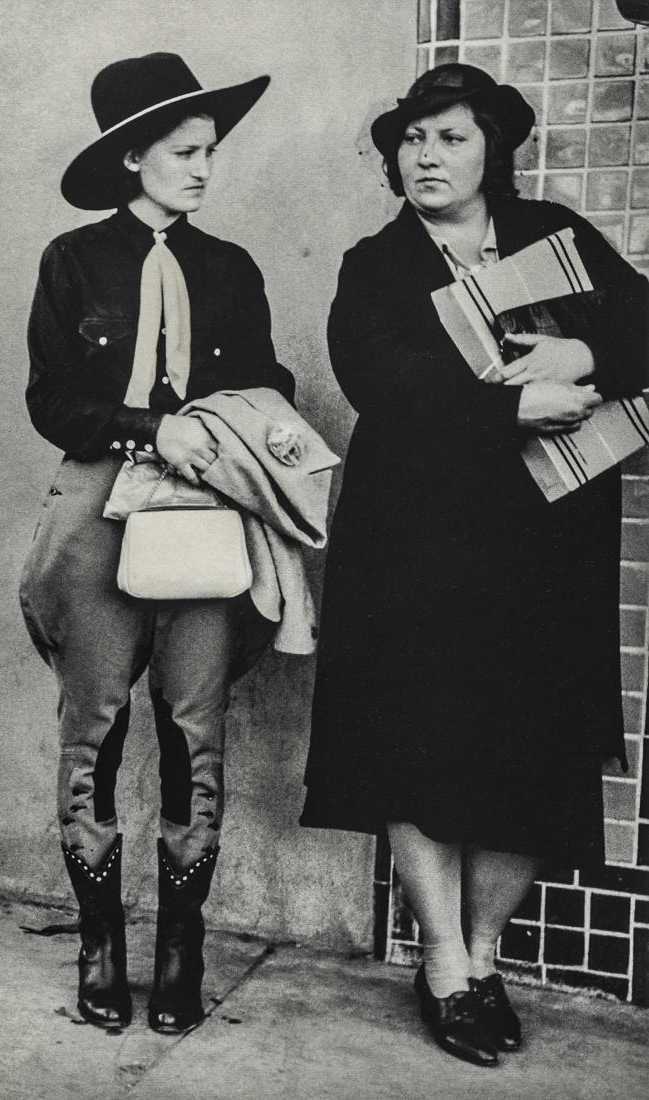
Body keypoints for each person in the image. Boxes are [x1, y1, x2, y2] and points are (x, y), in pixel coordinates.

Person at [301, 64, 649, 1067]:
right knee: (418, 737)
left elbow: (640, 328)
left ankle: (488, 951)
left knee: (534, 742)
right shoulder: (376, 263)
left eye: (449, 137)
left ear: (493, 147)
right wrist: (507, 406)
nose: (425, 156)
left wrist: (576, 361)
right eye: (410, 139)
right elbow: (380, 378)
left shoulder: (559, 236)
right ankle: (443, 960)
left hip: (546, 542)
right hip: (416, 541)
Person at [20, 52, 295, 1034]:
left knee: (196, 730)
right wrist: (145, 428)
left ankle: (180, 949)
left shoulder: (231, 271)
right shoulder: (73, 263)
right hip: (100, 510)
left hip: (204, 517)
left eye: (210, 151)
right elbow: (51, 397)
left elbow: (272, 379)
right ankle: (101, 942)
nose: (204, 168)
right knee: (91, 731)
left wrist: (231, 424)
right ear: (134, 156)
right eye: (185, 151)